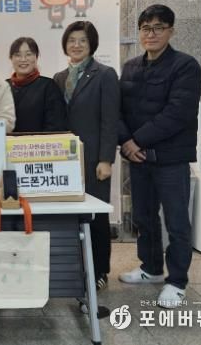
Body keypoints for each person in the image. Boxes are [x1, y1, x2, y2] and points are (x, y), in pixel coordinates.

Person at [117, 4, 201, 309]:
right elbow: (118, 110)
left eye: (158, 28)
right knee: (143, 217)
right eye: (145, 28)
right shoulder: (131, 67)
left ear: (171, 31)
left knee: (176, 221)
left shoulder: (185, 66)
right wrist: (126, 141)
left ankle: (177, 281)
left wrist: (136, 140)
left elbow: (177, 113)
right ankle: (151, 268)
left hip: (171, 160)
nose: (151, 34)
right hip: (139, 160)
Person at [53, 21, 119, 291]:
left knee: (96, 216)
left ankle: (100, 270)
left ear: (92, 44)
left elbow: (110, 119)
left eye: (82, 40)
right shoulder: (58, 78)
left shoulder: (105, 74)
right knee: (70, 217)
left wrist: (106, 159)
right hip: (65, 161)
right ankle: (75, 268)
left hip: (93, 160)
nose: (76, 45)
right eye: (71, 40)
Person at [8, 37, 67, 132]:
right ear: (11, 58)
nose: (23, 59)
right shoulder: (4, 87)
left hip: (39, 141)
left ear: (36, 57)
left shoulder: (49, 86)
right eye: (18, 55)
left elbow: (56, 126)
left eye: (28, 54)